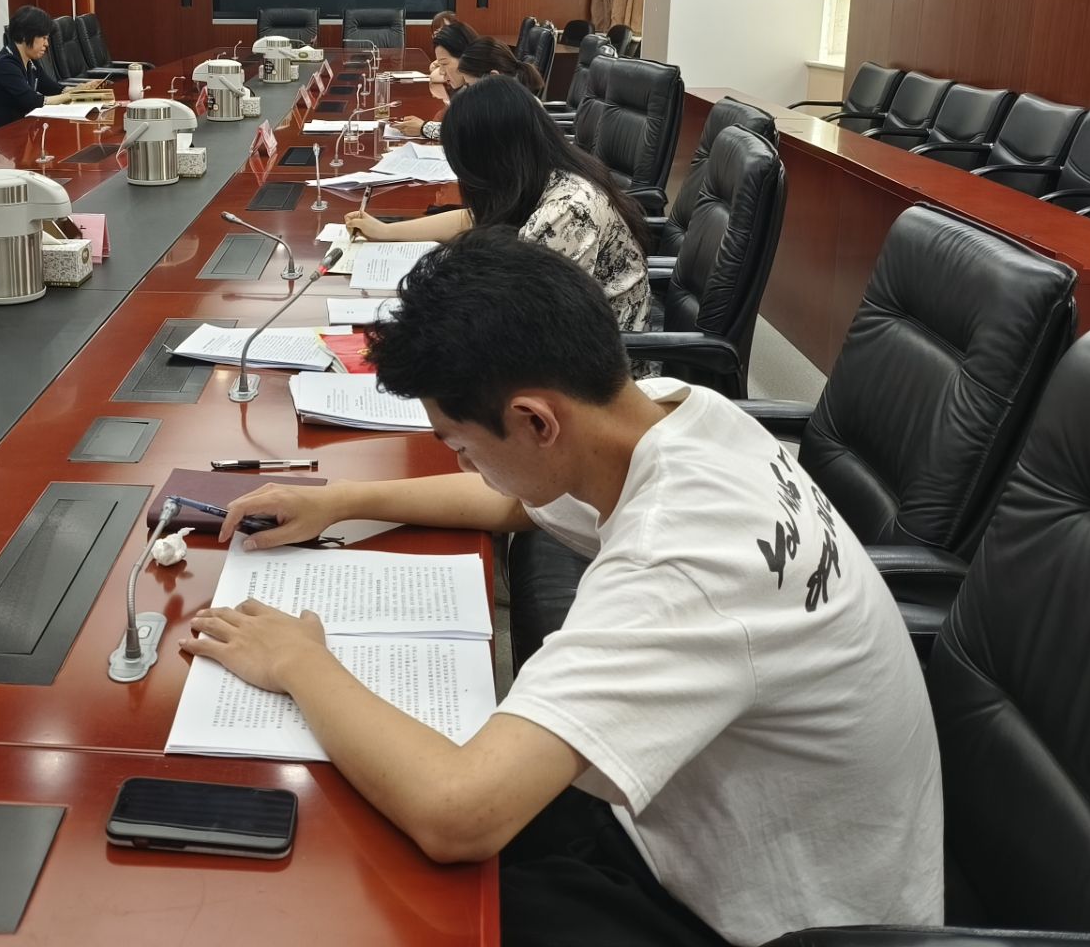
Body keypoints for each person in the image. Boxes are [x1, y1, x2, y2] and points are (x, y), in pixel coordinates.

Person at [183, 230, 944, 947]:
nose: (465, 466)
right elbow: (518, 500)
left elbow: (458, 814)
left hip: (776, 922)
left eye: (462, 446)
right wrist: (343, 501)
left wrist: (298, 660)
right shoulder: (674, 412)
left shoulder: (681, 563)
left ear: (536, 422)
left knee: (397, 903)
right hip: (718, 833)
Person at [354, 74, 650, 337]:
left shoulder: (566, 211)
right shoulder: (544, 175)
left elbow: (523, 321)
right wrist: (385, 231)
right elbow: (475, 218)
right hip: (562, 340)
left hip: (601, 362)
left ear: (492, 157)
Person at [396, 28, 540, 139]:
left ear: (493, 77)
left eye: (470, 85)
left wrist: (424, 128)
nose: (468, 91)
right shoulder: (504, 97)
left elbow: (472, 135)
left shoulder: (513, 106)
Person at [0, 5, 79, 129]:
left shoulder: (29, 60)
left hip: (15, 128)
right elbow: (32, 101)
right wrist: (72, 96)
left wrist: (82, 90)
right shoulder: (5, 64)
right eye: (43, 38)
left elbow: (52, 88)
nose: (47, 44)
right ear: (25, 36)